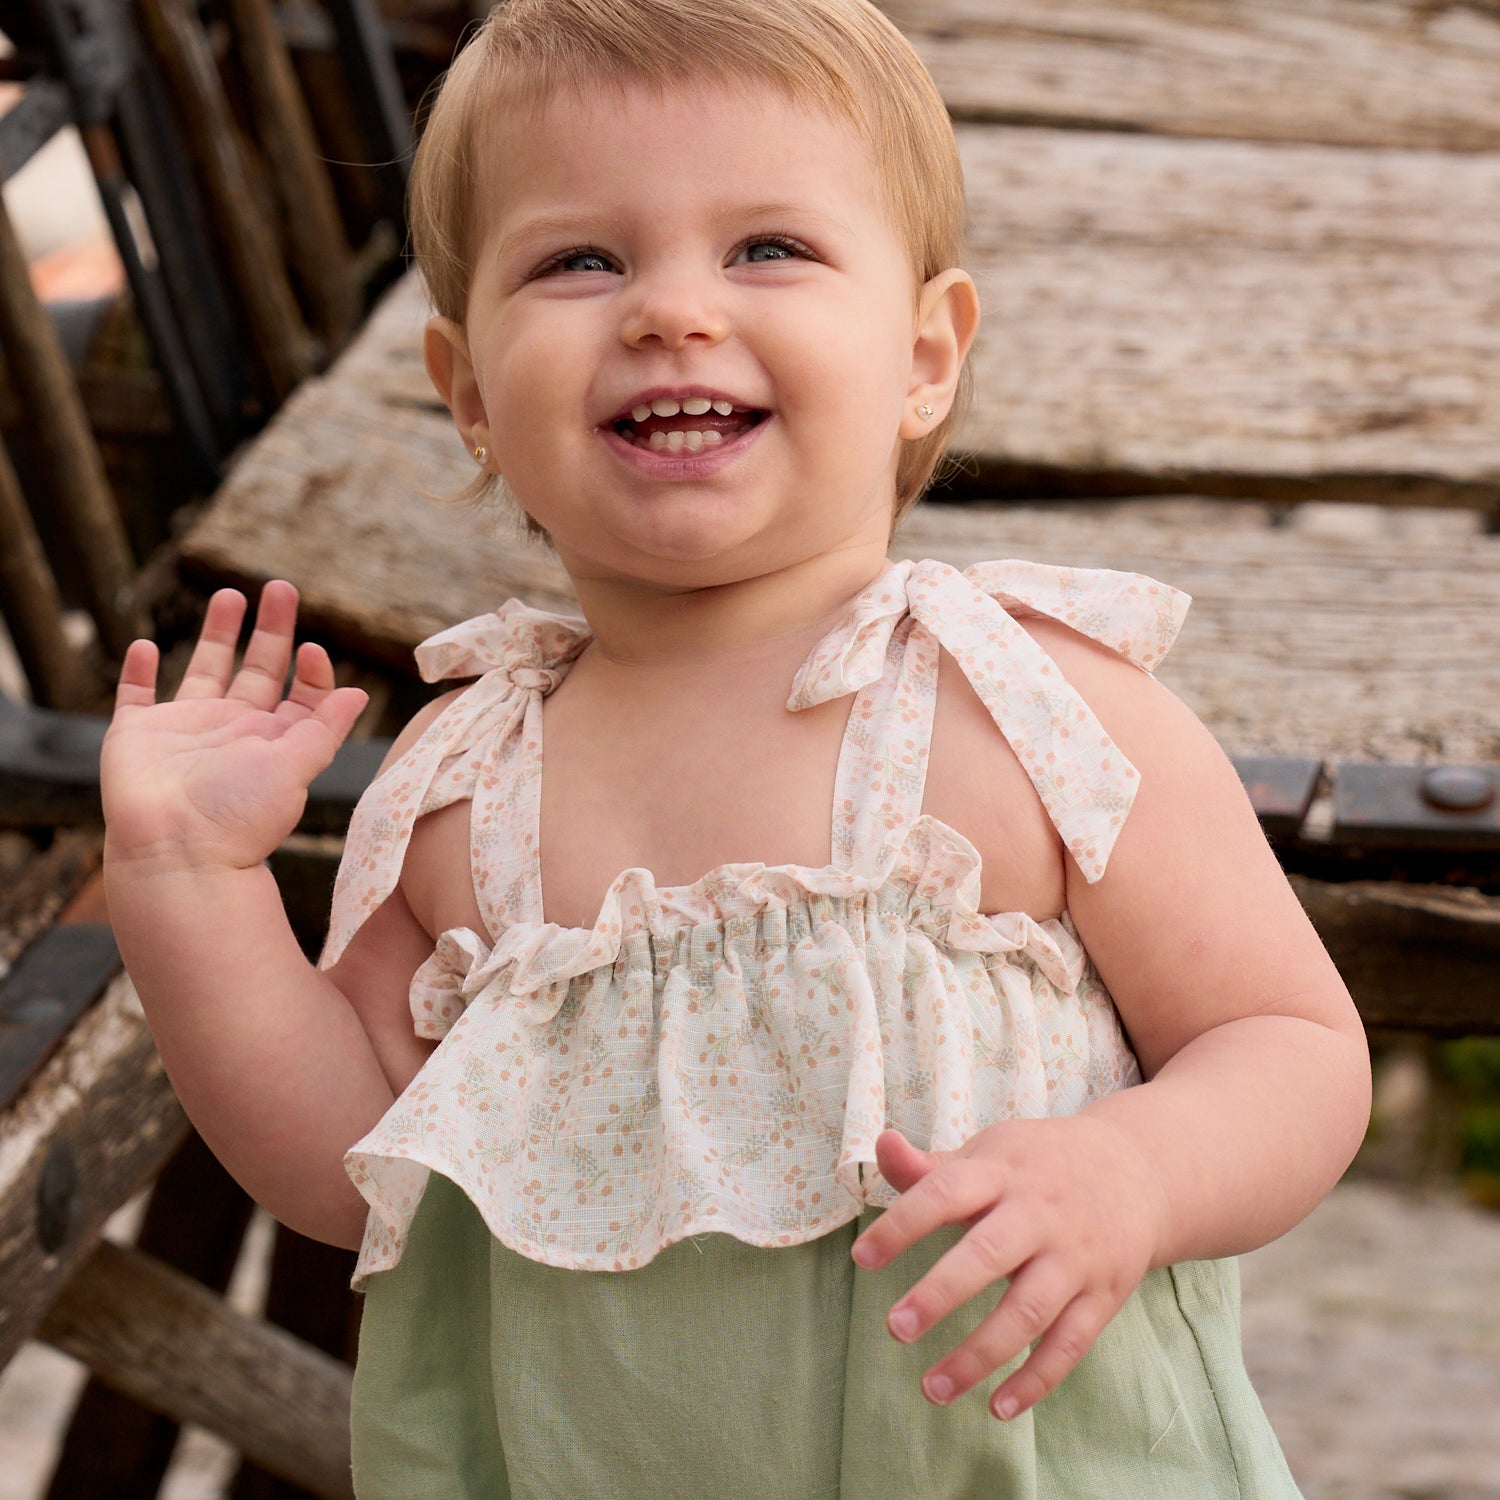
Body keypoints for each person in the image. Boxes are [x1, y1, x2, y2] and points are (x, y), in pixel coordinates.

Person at [100, 0, 1371, 1494]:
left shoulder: (1024, 705)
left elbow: (1289, 1049)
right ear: (469, 396)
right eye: (581, 259)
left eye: (767, 248)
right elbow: (340, 1167)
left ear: (922, 355)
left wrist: (1136, 1172)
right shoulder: (468, 786)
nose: (670, 310)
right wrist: (187, 875)